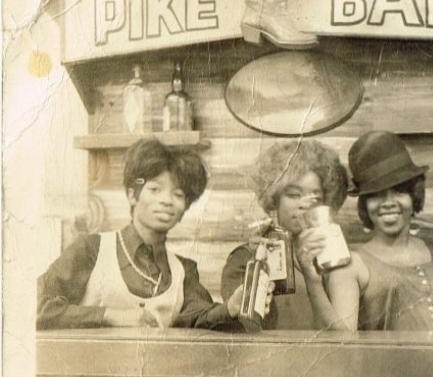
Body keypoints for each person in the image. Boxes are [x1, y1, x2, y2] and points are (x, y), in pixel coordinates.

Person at [37, 138, 245, 330]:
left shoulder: (184, 271)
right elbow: (35, 306)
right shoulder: (91, 249)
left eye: (178, 194)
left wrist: (231, 307)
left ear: (184, 210)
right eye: (155, 189)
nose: (166, 200)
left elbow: (199, 317)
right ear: (132, 195)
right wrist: (109, 315)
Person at [323, 131, 433, 336]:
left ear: (414, 195)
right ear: (365, 204)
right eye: (376, 194)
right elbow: (344, 347)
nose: (388, 202)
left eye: (398, 191)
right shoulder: (351, 265)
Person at [221, 139, 348, 330]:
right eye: (294, 195)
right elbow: (240, 326)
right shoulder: (245, 257)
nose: (304, 204)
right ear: (274, 199)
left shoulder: (333, 258)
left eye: (315, 197)